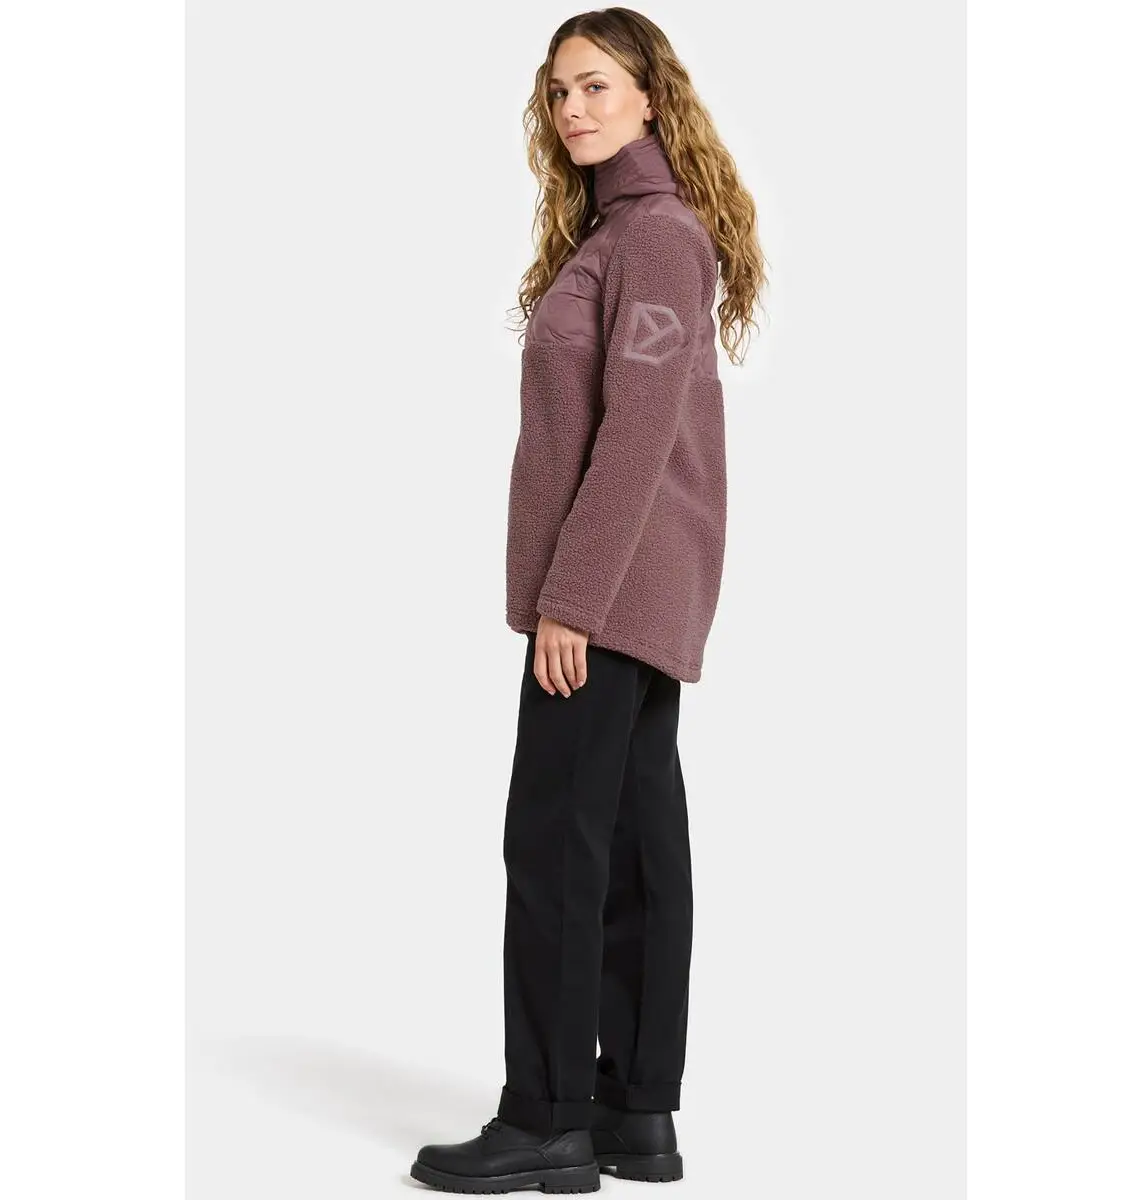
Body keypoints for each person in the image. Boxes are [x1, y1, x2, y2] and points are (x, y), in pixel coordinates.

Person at [411, 7, 764, 1193]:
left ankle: (548, 1116)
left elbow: (638, 434)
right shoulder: (623, 232)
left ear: (651, 95)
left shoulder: (655, 237)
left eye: (596, 85)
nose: (572, 107)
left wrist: (569, 600)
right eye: (559, 91)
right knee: (629, 843)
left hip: (610, 592)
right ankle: (634, 1114)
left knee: (556, 842)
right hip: (635, 589)